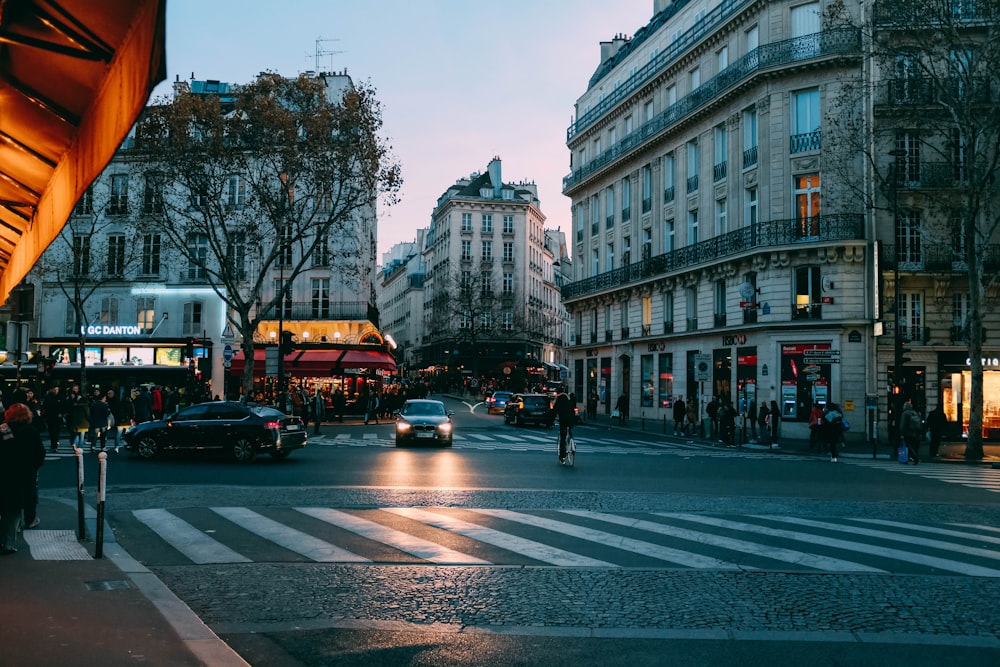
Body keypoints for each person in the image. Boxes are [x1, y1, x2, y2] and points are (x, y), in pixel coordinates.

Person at [0, 403, 46, 553]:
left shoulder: (3, 429)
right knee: (13, 510)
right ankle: (8, 543)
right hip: (22, 474)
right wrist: (33, 467)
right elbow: (39, 453)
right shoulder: (31, 431)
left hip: (3, 472)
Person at [552, 391, 577, 463]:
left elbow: (554, 411)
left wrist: (551, 421)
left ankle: (562, 456)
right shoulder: (569, 399)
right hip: (572, 419)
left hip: (563, 420)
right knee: (569, 429)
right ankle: (572, 440)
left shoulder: (559, 400)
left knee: (563, 437)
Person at [42, 385, 63, 452]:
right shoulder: (48, 397)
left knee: (56, 432)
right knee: (52, 432)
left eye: (57, 389)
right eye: (55, 389)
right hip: (50, 416)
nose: (56, 391)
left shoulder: (60, 397)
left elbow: (63, 405)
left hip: (57, 417)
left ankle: (54, 445)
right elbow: (45, 406)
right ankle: (53, 445)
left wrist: (61, 413)